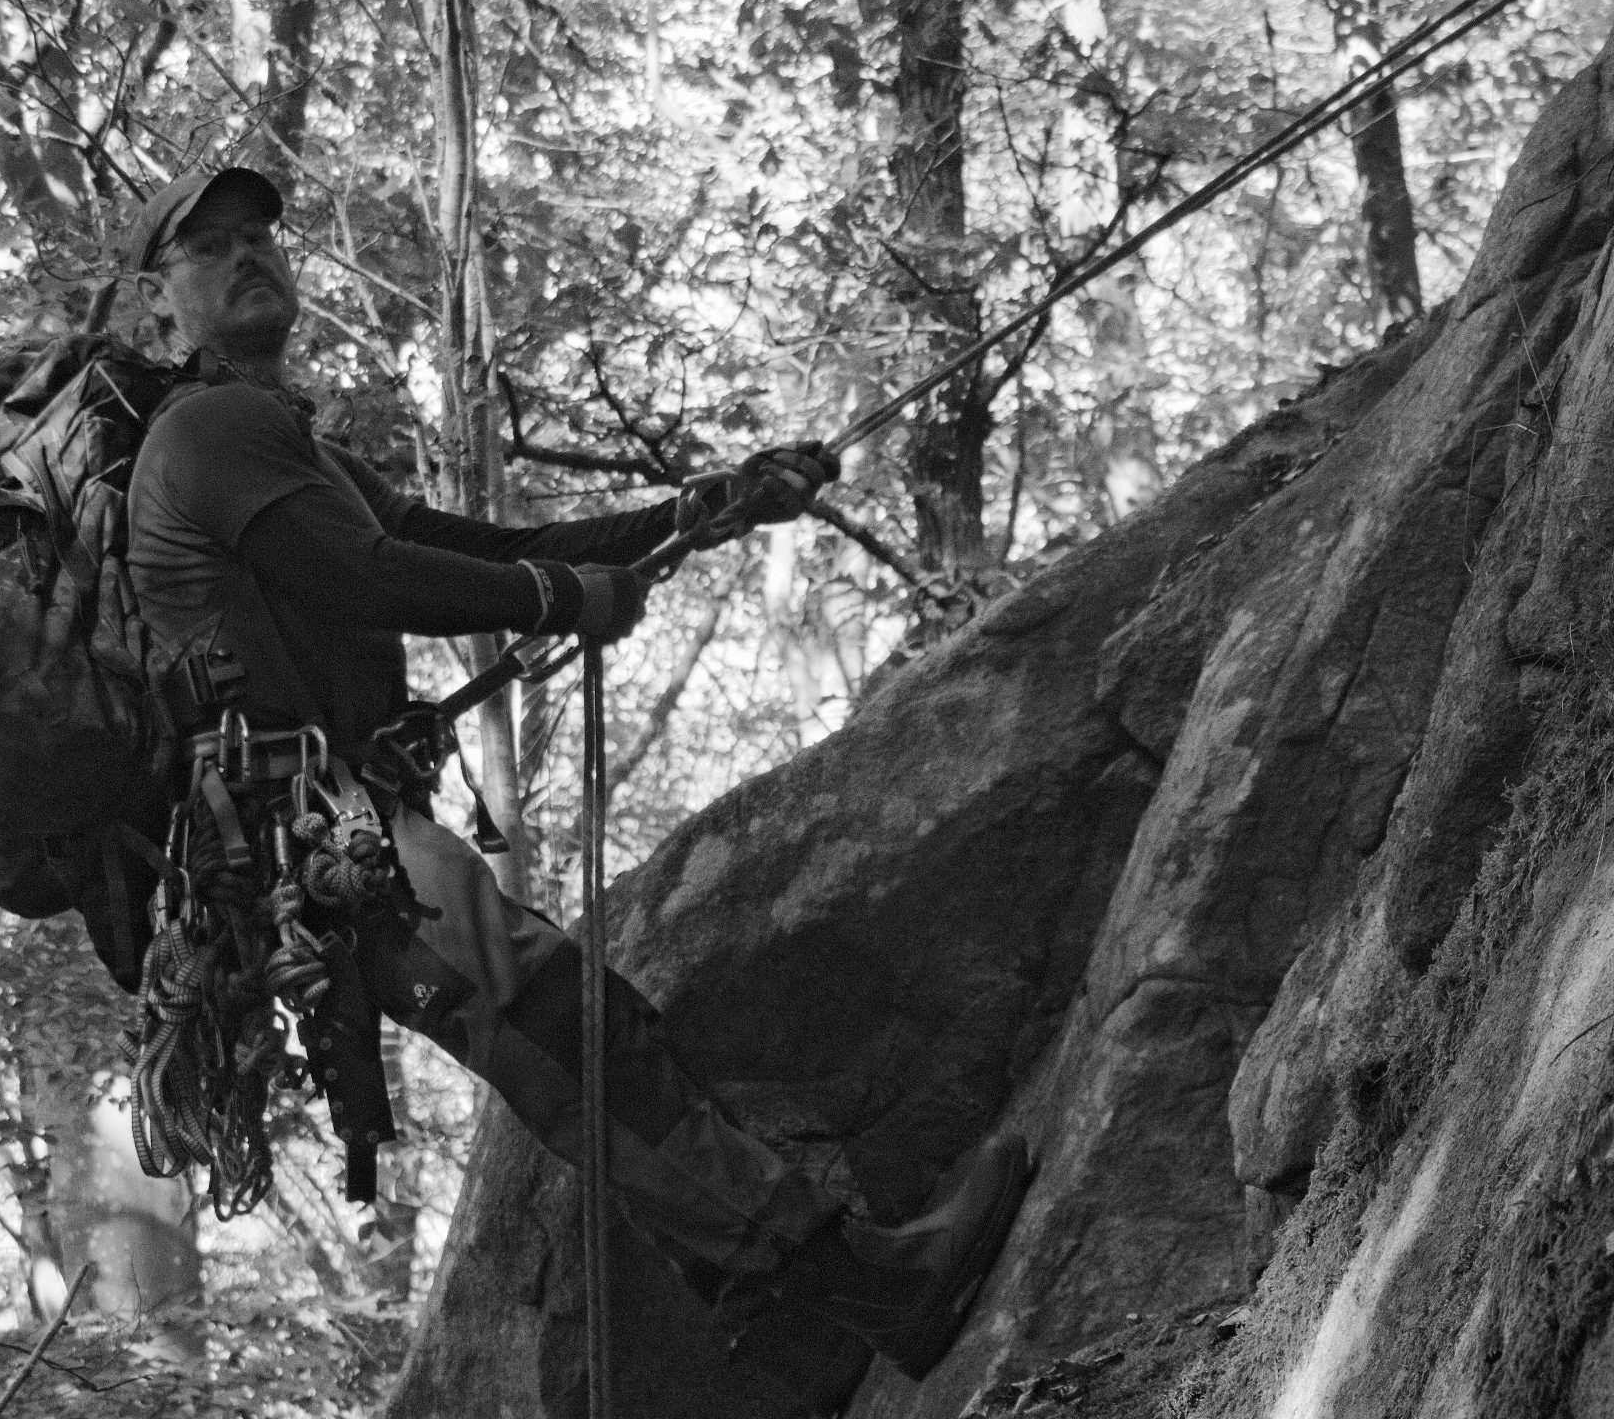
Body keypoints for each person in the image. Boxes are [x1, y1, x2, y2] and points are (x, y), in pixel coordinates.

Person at [121, 165, 1028, 1409]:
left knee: (570, 1035)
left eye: (259, 237)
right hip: (309, 841)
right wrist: (569, 604)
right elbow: (370, 582)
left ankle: (788, 1320)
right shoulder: (205, 432)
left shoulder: (285, 439)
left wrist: (700, 513)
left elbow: (470, 552)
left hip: (339, 830)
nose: (249, 257)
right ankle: (850, 1281)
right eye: (209, 249)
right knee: (563, 1026)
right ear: (155, 314)